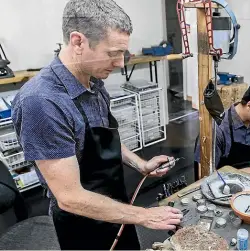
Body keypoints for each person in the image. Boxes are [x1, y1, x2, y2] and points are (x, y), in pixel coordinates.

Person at [11, 0, 182, 250]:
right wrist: (145, 215)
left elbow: (103, 139)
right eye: (113, 54)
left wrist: (140, 164)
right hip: (82, 220)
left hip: (116, 204)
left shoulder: (93, 81)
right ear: (78, 42)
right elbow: (70, 198)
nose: (121, 64)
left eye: (123, 54)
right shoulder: (42, 102)